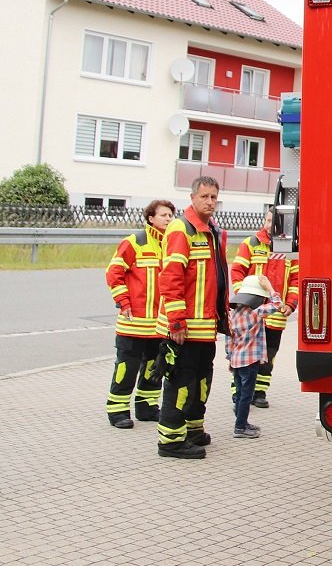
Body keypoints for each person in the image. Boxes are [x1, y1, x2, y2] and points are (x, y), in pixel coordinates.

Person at [155, 177, 229, 459]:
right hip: (184, 329)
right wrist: (176, 321)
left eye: (214, 197)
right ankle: (171, 441)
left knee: (201, 381)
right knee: (180, 382)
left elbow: (215, 279)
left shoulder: (212, 231)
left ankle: (193, 429)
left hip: (205, 328)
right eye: (205, 197)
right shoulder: (181, 229)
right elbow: (171, 278)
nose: (210, 202)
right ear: (192, 197)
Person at [104, 198, 177, 428]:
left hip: (159, 325)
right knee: (127, 369)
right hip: (133, 323)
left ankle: (147, 407)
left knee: (153, 370)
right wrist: (123, 301)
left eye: (170, 215)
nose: (168, 219)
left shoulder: (173, 245)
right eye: (163, 215)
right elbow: (113, 272)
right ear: (151, 218)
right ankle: (117, 411)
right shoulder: (135, 242)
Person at [229, 206, 299, 409]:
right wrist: (243, 302)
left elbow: (295, 279)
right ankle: (239, 391)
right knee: (243, 353)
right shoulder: (250, 244)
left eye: (274, 221)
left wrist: (291, 304)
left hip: (275, 313)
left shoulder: (290, 250)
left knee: (269, 353)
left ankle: (259, 391)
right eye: (268, 220)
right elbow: (237, 273)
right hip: (250, 314)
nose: (270, 225)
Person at [225, 273, 287, 438]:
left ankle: (242, 421)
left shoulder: (232, 315)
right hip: (250, 361)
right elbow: (277, 304)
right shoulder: (256, 312)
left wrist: (229, 358)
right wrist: (270, 287)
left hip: (236, 360)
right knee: (247, 395)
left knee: (239, 393)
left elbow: (228, 340)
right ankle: (240, 428)